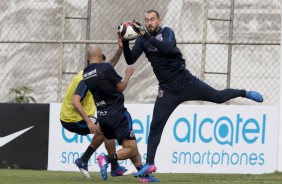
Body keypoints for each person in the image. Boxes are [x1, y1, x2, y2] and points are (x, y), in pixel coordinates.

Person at [120, 10, 264, 177]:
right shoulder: (142, 40)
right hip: (167, 90)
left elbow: (167, 49)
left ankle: (243, 92)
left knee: (217, 97)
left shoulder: (167, 32)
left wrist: (146, 35)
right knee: (156, 125)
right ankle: (150, 163)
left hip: (186, 82)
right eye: (146, 20)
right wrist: (124, 42)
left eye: (152, 19)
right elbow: (130, 59)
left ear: (158, 20)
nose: (149, 22)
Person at [82, 44, 159, 183]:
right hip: (117, 114)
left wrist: (119, 50)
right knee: (132, 150)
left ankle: (145, 177)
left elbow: (105, 69)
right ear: (100, 55)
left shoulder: (86, 73)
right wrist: (128, 74)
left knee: (130, 146)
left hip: (103, 117)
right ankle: (106, 159)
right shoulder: (105, 68)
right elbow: (121, 87)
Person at [60, 39, 133, 179]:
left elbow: (109, 65)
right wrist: (88, 121)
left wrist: (119, 50)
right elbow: (76, 102)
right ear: (98, 56)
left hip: (78, 116)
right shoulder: (86, 77)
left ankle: (90, 161)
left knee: (106, 128)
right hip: (73, 118)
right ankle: (109, 166)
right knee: (105, 128)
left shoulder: (91, 72)